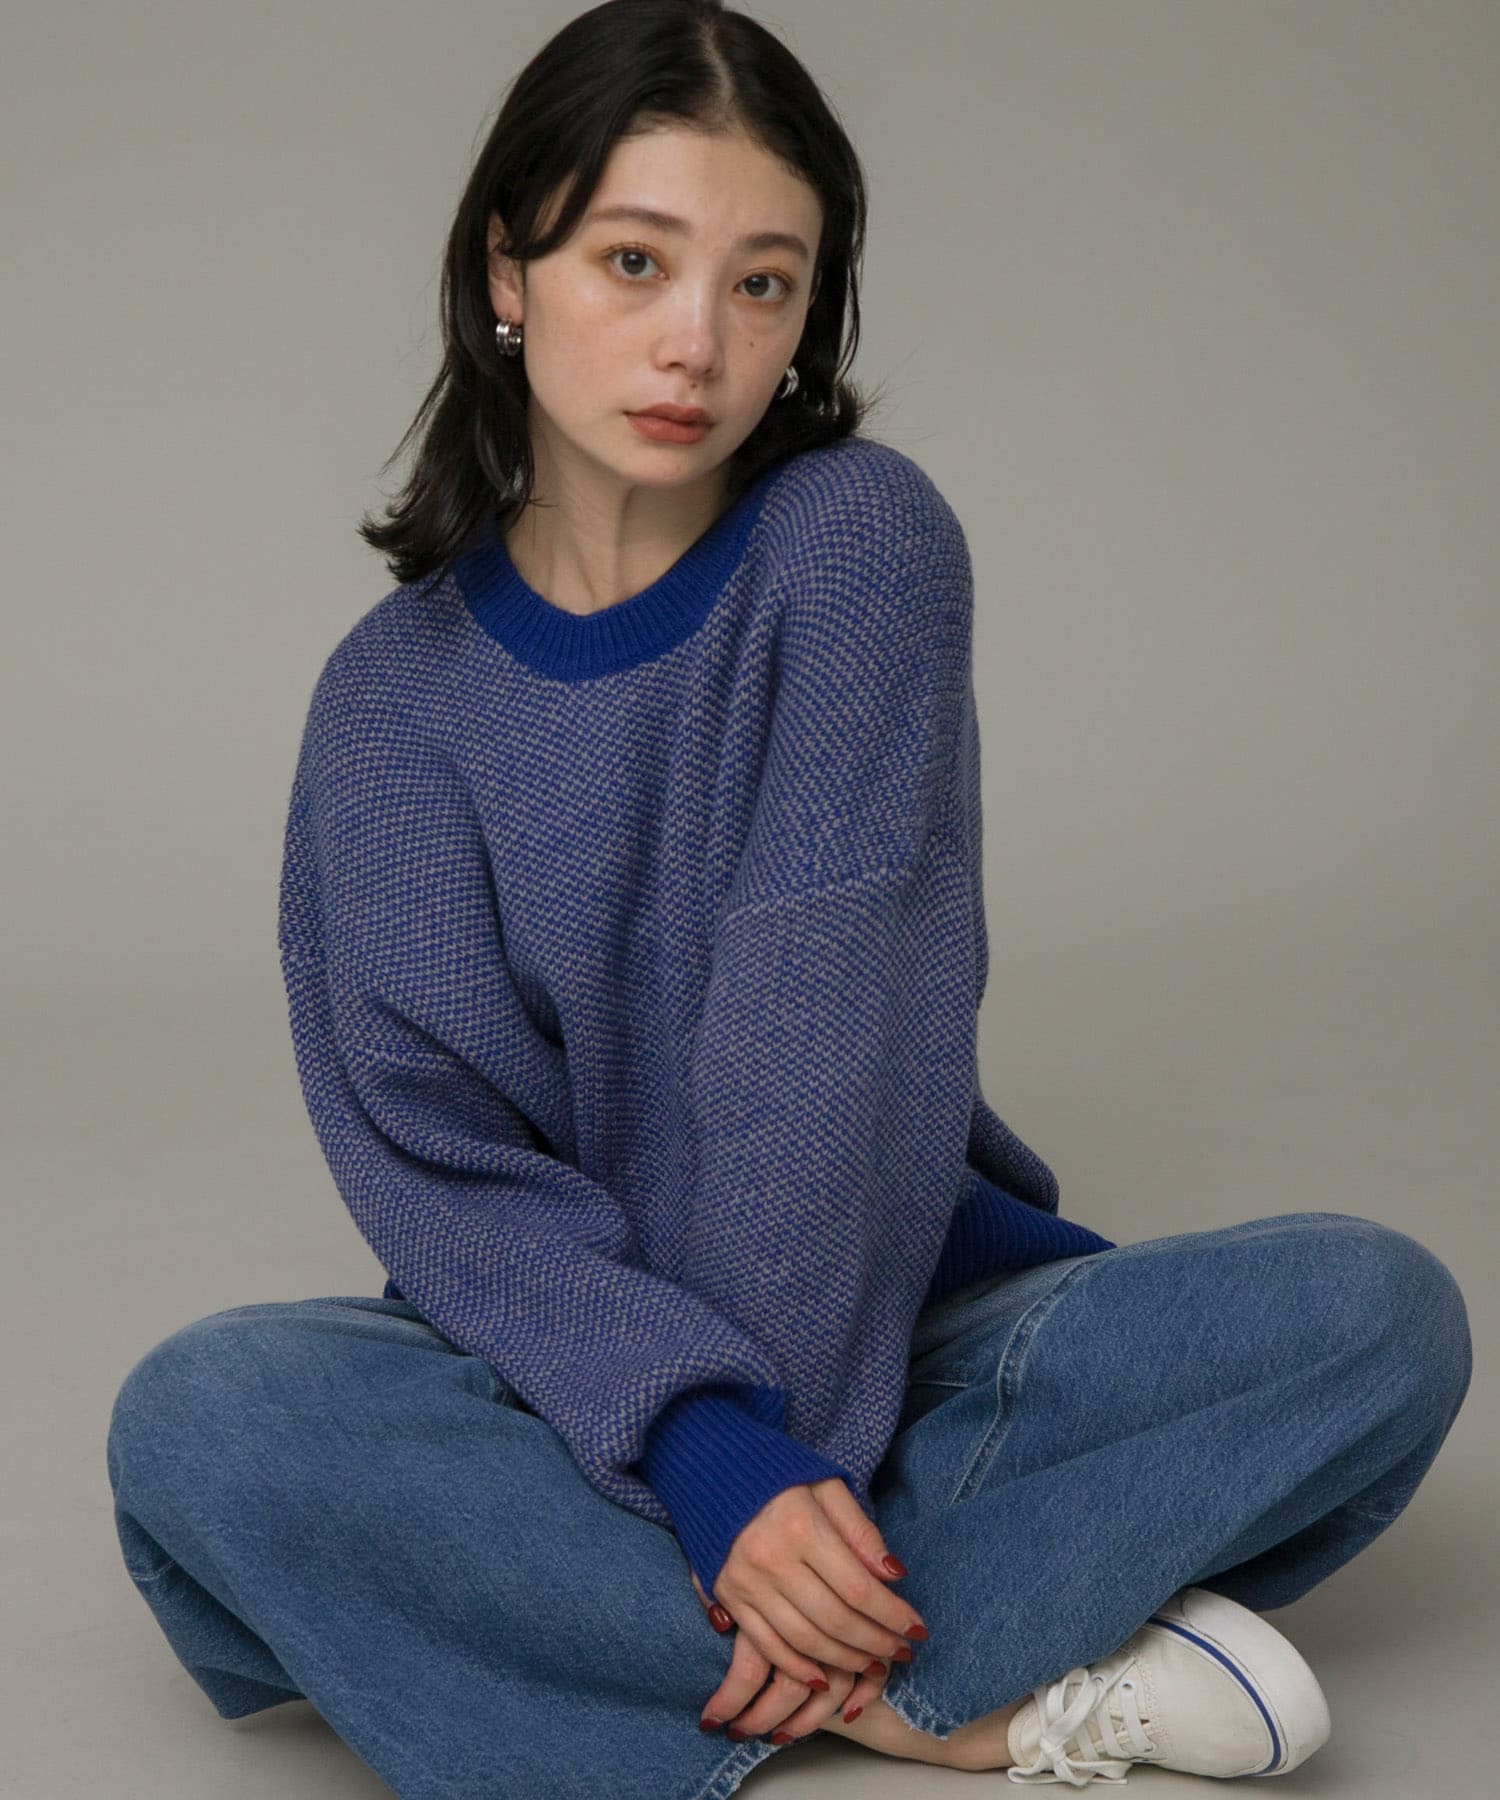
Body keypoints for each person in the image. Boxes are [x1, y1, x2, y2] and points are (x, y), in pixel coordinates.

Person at [104, 3, 1473, 1796]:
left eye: (764, 284)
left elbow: (823, 1056)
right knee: (202, 1423)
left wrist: (772, 1471)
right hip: (580, 1380)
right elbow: (441, 1172)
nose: (699, 341)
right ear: (507, 270)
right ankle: (960, 1692)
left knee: (1375, 1314)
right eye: (634, 261)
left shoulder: (854, 547)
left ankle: (652, 1646)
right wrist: (698, 1448)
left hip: (902, 1319)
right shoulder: (390, 702)